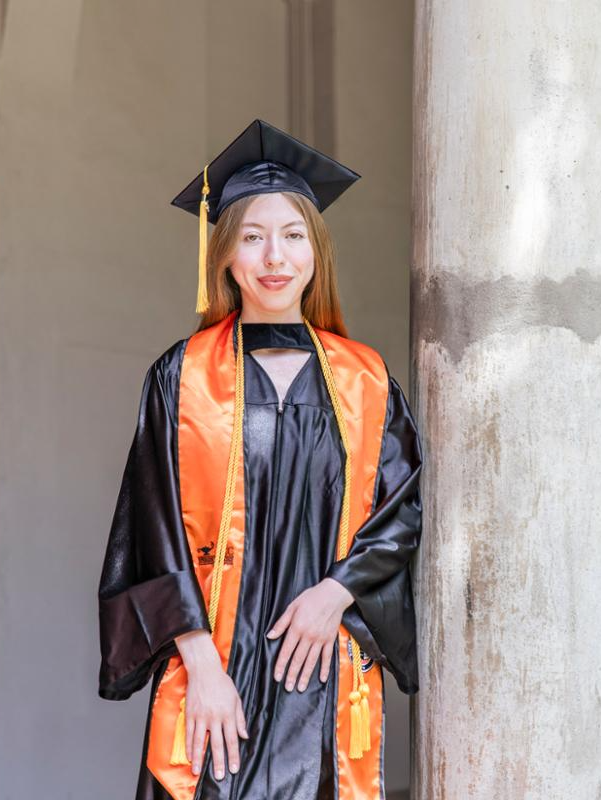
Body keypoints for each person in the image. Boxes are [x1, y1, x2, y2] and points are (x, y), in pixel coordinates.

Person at [97, 119, 422, 800]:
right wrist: (200, 667)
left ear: (316, 251)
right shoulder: (181, 378)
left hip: (321, 663)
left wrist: (336, 592)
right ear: (223, 256)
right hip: (215, 671)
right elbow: (152, 530)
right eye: (253, 236)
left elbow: (403, 508)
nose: (275, 256)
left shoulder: (363, 380)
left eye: (293, 235)